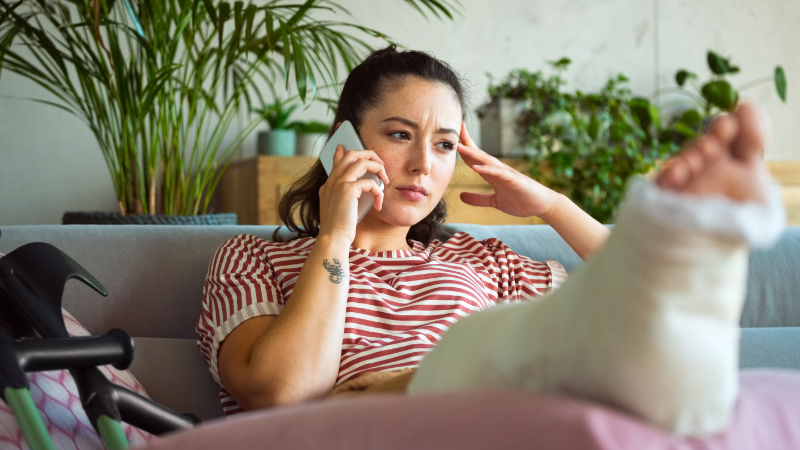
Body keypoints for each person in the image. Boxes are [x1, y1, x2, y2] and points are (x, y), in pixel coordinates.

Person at [196, 46, 784, 436]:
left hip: (502, 429)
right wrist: (335, 236)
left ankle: (688, 249)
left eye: (446, 144)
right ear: (343, 142)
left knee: (626, 328)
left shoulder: (480, 259)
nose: (424, 163)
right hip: (363, 434)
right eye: (400, 134)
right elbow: (280, 393)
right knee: (509, 356)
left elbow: (639, 302)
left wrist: (552, 207)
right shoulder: (254, 257)